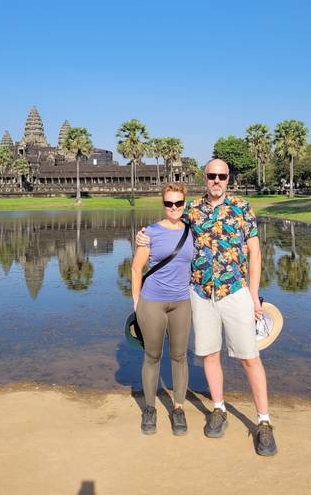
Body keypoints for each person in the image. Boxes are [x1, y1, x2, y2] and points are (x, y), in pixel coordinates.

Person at [136, 159, 277, 456]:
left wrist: (254, 295)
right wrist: (140, 236)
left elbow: (255, 252)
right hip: (200, 293)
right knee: (210, 355)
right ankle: (219, 408)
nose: (216, 180)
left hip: (235, 290)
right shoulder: (192, 209)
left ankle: (264, 422)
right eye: (211, 175)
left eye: (221, 176)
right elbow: (168, 223)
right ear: (205, 177)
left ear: (228, 178)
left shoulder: (242, 207)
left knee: (249, 357)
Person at [131, 183, 194, 436]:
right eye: (169, 203)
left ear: (185, 204)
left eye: (179, 203)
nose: (174, 208)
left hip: (181, 302)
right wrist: (136, 302)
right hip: (153, 302)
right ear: (163, 204)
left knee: (179, 356)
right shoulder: (151, 233)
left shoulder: (192, 231)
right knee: (152, 356)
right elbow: (137, 268)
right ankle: (150, 408)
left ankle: (178, 408)